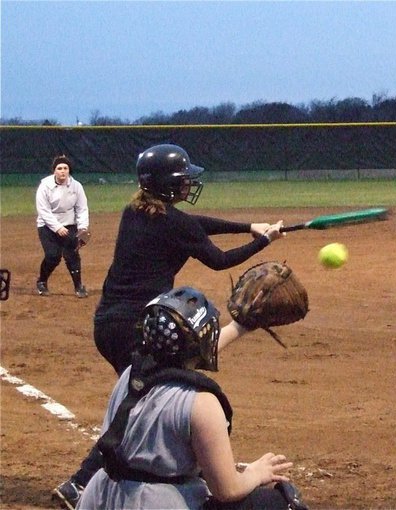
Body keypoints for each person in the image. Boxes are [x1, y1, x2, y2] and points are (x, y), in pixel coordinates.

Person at [53, 144, 287, 508]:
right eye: (182, 179)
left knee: (138, 397)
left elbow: (195, 226)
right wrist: (263, 242)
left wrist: (248, 226)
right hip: (140, 326)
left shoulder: (136, 210)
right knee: (147, 395)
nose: (187, 184)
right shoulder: (173, 222)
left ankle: (84, 482)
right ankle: (84, 481)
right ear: (167, 186)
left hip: (109, 322)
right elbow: (218, 259)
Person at [75, 286, 307, 510]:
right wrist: (257, 473)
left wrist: (239, 326)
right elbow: (227, 490)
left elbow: (183, 355)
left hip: (101, 497)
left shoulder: (131, 375)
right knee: (279, 501)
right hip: (155, 503)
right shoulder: (201, 403)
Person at [35, 155, 90, 298]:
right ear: (54, 171)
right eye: (59, 168)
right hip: (47, 226)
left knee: (72, 255)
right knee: (53, 256)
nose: (63, 171)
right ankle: (42, 282)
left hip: (69, 224)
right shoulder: (45, 186)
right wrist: (57, 227)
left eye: (65, 168)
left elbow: (82, 208)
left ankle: (79, 286)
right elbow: (43, 211)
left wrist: (83, 229)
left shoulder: (76, 186)